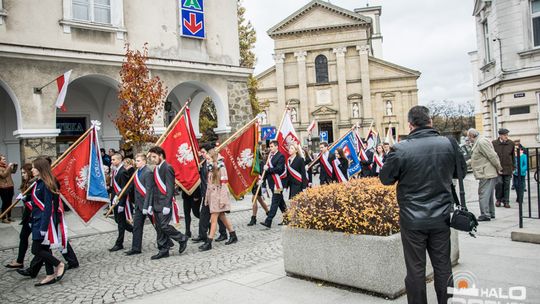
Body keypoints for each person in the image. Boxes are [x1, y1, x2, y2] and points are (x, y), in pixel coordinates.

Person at [380, 106, 463, 304]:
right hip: (441, 217)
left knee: (416, 270)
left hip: (412, 219)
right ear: (430, 122)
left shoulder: (400, 149)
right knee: (443, 266)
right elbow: (460, 173)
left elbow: (385, 179)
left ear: (410, 125)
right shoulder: (448, 144)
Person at [26, 157, 66, 286]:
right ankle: (50, 275)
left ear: (40, 169)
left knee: (36, 249)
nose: (32, 170)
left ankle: (59, 264)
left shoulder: (46, 184)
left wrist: (43, 228)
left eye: (34, 167)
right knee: (45, 248)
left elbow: (48, 207)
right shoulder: (37, 183)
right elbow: (36, 203)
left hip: (43, 223)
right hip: (36, 220)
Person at [147, 146, 189, 259]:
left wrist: (167, 205)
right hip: (156, 203)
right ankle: (163, 249)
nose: (152, 159)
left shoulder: (168, 167)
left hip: (164, 203)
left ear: (161, 156)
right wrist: (150, 204)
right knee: (159, 228)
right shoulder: (155, 169)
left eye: (154, 157)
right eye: (151, 157)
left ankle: (182, 238)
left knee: (164, 226)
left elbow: (170, 188)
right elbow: (153, 188)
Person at [199, 149, 238, 251]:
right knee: (222, 217)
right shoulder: (211, 168)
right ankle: (233, 235)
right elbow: (209, 185)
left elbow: (224, 185)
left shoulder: (221, 168)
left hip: (219, 197)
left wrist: (223, 200)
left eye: (208, 159)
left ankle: (209, 242)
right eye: (206, 159)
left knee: (213, 219)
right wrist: (207, 198)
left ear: (213, 158)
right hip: (213, 197)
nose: (207, 161)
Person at [192, 144, 228, 244]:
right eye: (202, 153)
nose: (202, 154)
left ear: (209, 152)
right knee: (204, 214)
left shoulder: (218, 164)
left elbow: (222, 182)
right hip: (207, 194)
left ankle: (219, 235)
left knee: (218, 216)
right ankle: (203, 235)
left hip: (216, 195)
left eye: (204, 152)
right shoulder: (203, 163)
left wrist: (222, 198)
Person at [467, 128, 503, 221]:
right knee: (488, 194)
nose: (468, 139)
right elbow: (477, 158)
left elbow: (492, 155)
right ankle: (490, 213)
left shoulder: (481, 142)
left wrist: (499, 167)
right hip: (487, 172)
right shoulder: (479, 141)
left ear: (472, 135)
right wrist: (465, 163)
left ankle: (485, 214)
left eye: (469, 137)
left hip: (486, 173)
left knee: (483, 193)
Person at [5, 164, 33, 269]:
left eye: (24, 173)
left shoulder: (33, 183)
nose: (22, 175)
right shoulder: (27, 183)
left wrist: (26, 198)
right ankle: (20, 260)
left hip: (33, 215)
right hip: (28, 215)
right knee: (24, 237)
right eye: (22, 173)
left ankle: (47, 259)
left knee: (40, 240)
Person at [125, 153, 153, 255]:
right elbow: (130, 186)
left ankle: (170, 242)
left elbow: (149, 190)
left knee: (158, 225)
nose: (136, 162)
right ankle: (136, 248)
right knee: (137, 226)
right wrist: (120, 195)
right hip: (138, 204)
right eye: (136, 160)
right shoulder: (137, 172)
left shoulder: (148, 172)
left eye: (138, 160)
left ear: (144, 161)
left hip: (147, 204)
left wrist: (147, 206)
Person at [108, 153, 134, 252]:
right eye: (112, 159)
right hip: (115, 200)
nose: (112, 161)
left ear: (119, 160)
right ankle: (134, 231)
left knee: (121, 223)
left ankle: (119, 243)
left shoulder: (123, 172)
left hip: (120, 201)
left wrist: (122, 204)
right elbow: (114, 187)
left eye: (114, 159)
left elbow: (124, 189)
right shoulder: (115, 171)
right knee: (118, 221)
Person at [260, 140, 287, 228]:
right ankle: (288, 218)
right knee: (280, 202)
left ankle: (269, 221)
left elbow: (279, 169)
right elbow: (266, 172)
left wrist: (268, 169)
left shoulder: (281, 156)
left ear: (276, 146)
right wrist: (262, 180)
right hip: (272, 183)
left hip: (278, 183)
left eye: (272, 146)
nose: (270, 148)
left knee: (275, 201)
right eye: (270, 147)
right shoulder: (270, 157)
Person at [492, 128, 515, 208]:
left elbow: (513, 156)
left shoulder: (511, 143)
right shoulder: (494, 143)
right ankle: (498, 199)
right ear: (500, 135)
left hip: (508, 168)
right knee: (499, 183)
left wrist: (513, 167)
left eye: (507, 135)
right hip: (498, 168)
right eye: (505, 135)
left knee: (507, 185)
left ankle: (506, 201)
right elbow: (492, 156)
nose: (506, 136)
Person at [248, 149, 269, 226]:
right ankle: (268, 212)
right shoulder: (251, 162)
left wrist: (262, 182)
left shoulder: (261, 162)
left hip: (259, 183)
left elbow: (264, 173)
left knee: (254, 199)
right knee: (259, 199)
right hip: (254, 183)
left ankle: (253, 218)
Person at [0, 154, 16, 223]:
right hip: (3, 187)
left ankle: (9, 217)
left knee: (10, 202)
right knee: (5, 202)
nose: (5, 160)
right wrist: (9, 166)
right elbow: (3, 175)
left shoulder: (6, 166)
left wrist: (15, 166)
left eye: (5, 159)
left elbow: (13, 172)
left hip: (10, 186)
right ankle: (3, 218)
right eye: (3, 159)